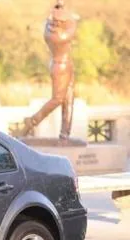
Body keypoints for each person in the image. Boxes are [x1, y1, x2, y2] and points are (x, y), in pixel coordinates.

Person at [22, 0, 79, 141]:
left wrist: (58, 8)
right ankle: (33, 120)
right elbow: (72, 28)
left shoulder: (48, 28)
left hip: (66, 64)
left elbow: (54, 22)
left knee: (69, 99)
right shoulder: (56, 36)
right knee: (58, 99)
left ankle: (65, 133)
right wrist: (67, 15)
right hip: (61, 66)